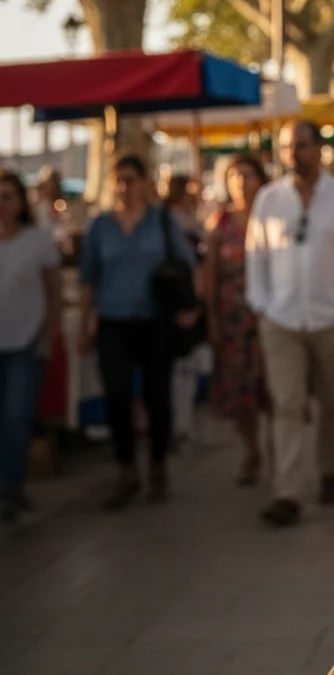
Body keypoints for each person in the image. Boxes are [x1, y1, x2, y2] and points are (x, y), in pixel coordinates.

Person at [245, 120, 334, 528]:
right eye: (286, 146)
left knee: (332, 403)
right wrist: (261, 304)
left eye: (300, 145)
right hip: (281, 319)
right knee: (287, 404)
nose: (292, 153)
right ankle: (288, 491)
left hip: (332, 318)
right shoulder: (268, 199)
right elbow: (256, 255)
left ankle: (329, 469)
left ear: (318, 148)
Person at [79, 155, 197, 509]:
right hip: (113, 321)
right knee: (117, 395)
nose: (123, 187)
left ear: (145, 182)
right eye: (118, 180)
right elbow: (88, 278)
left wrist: (192, 307)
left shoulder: (161, 222)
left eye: (130, 179)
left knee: (157, 397)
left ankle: (157, 465)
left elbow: (188, 265)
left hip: (154, 321)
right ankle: (127, 468)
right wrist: (86, 320)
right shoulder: (100, 226)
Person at [204, 155, 271, 486]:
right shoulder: (221, 222)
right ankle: (252, 449)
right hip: (234, 318)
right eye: (235, 177)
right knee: (240, 391)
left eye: (248, 175)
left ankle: (278, 451)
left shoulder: (273, 215)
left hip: (270, 317)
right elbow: (211, 275)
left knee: (274, 388)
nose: (242, 182)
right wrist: (212, 319)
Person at [0, 170, 61, 522]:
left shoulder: (37, 242)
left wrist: (50, 333)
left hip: (25, 340)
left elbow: (53, 289)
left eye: (8, 196)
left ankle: (12, 485)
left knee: (16, 415)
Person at [163, 175, 206, 452]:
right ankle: (177, 426)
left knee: (187, 364)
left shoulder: (189, 220)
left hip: (189, 298)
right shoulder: (170, 222)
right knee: (177, 366)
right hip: (177, 298)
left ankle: (182, 426)